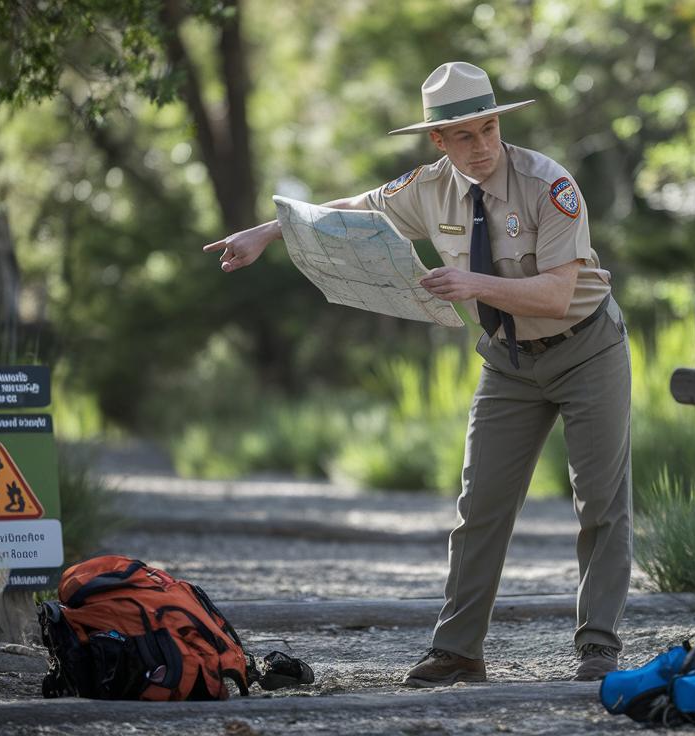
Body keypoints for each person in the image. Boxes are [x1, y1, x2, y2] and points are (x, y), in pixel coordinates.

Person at [203, 61, 632, 685]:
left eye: (488, 129)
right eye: (464, 136)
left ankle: (598, 648)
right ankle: (458, 652)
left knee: (600, 502)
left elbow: (558, 295)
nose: (481, 146)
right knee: (479, 505)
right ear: (438, 141)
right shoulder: (428, 188)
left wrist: (470, 283)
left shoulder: (549, 183)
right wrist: (268, 232)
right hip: (509, 361)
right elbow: (353, 214)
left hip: (586, 346)